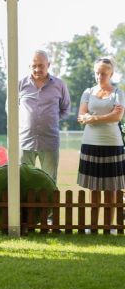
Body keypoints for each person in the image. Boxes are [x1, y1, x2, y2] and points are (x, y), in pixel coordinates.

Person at [77, 57, 125, 233]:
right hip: (90, 143)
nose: (99, 76)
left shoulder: (118, 93)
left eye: (103, 73)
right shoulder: (88, 92)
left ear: (111, 74)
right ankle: (93, 226)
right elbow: (82, 116)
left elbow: (117, 117)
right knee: (94, 187)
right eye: (97, 73)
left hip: (112, 144)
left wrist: (94, 118)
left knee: (111, 188)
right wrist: (104, 116)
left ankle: (110, 226)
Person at [19, 50, 71, 183]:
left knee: (49, 183)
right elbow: (11, 109)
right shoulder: (20, 84)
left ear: (48, 65)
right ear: (29, 66)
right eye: (34, 66)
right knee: (24, 183)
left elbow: (65, 109)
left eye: (41, 65)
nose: (37, 69)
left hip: (50, 142)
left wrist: (51, 119)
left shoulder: (59, 85)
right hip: (25, 142)